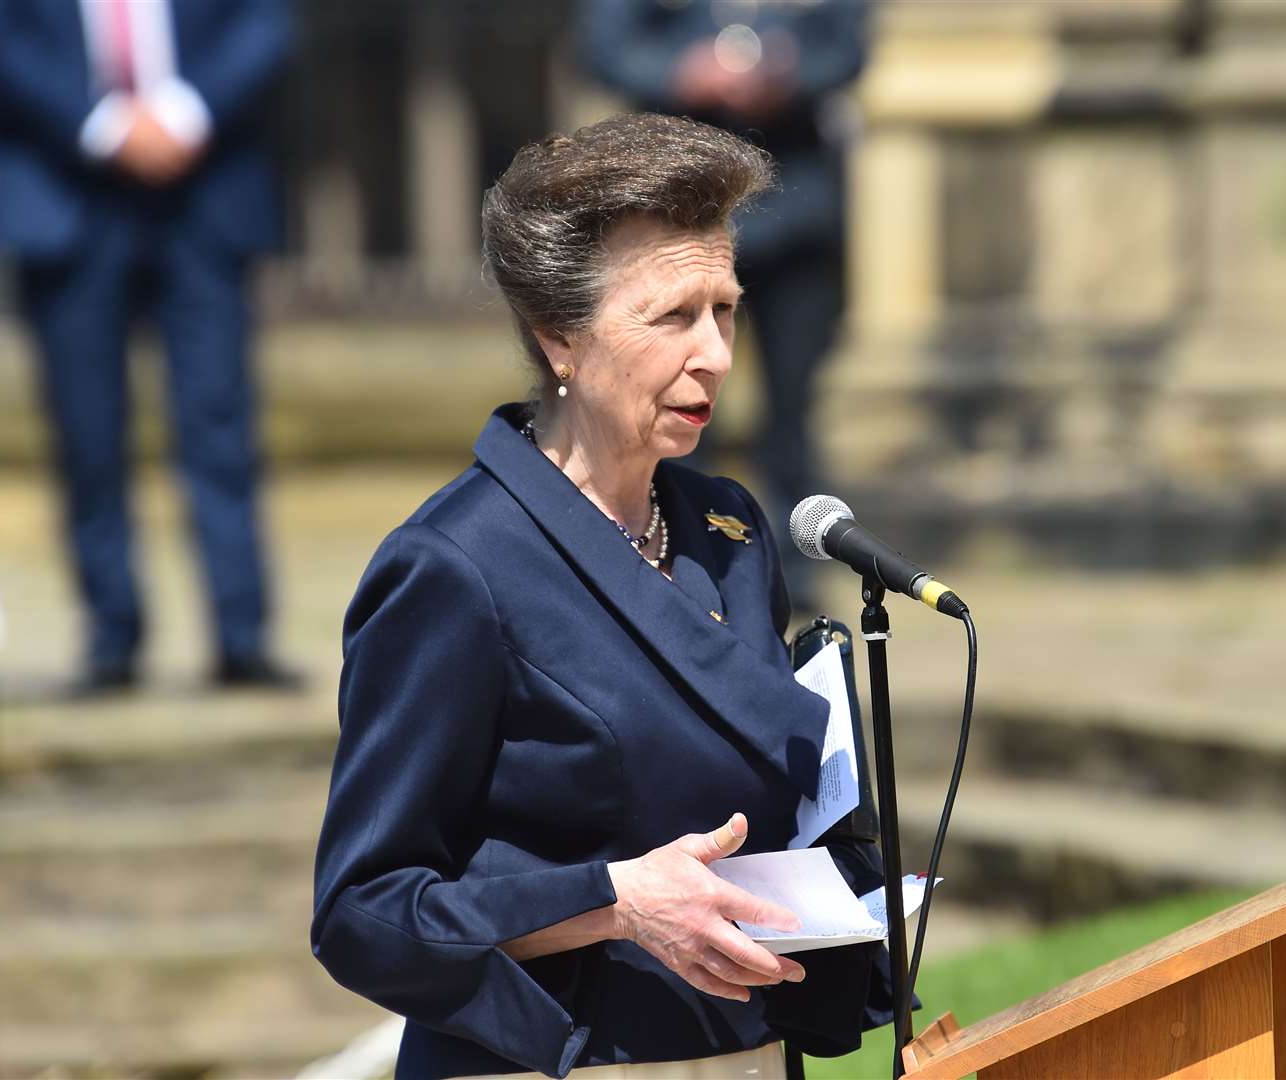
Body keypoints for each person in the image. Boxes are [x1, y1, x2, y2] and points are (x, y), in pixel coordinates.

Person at [311, 114, 895, 1079]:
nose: (713, 353)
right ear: (560, 341)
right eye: (672, 317)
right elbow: (364, 913)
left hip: (750, 1054)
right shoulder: (453, 567)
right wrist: (616, 901)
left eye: (727, 310)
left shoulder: (729, 528)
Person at [0, 0, 298, 692]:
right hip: (64, 190)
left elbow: (264, 22)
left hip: (206, 189)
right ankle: (110, 637)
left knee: (220, 422)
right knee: (86, 429)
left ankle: (241, 637)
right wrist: (102, 124)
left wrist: (186, 113)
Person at [577, 0, 869, 608]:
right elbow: (604, 45)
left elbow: (850, 45)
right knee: (672, 403)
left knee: (795, 412)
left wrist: (788, 71)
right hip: (677, 214)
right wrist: (683, 72)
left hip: (797, 211)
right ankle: (674, 557)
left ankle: (792, 574)